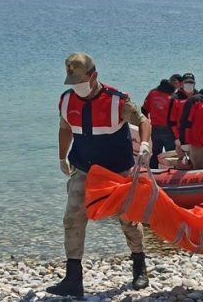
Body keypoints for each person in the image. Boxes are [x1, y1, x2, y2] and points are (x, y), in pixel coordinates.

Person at [48, 53, 153, 298]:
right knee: (72, 218)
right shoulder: (66, 100)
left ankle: (139, 266)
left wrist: (145, 144)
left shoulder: (118, 101)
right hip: (83, 168)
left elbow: (143, 121)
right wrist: (61, 157)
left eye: (81, 81)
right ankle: (73, 278)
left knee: (128, 219)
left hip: (117, 170)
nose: (77, 87)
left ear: (93, 76)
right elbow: (65, 128)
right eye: (72, 82)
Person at [141, 78, 176, 168]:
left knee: (156, 152)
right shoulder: (172, 98)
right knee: (172, 153)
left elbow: (144, 109)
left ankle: (153, 171)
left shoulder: (152, 94)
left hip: (155, 128)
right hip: (168, 129)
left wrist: (145, 123)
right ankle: (172, 173)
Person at [169, 72, 198, 160]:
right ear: (182, 84)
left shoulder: (199, 96)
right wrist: (177, 138)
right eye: (186, 82)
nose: (189, 85)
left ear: (194, 84)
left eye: (191, 83)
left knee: (196, 161)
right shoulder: (175, 98)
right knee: (183, 161)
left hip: (196, 136)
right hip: (181, 136)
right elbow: (171, 121)